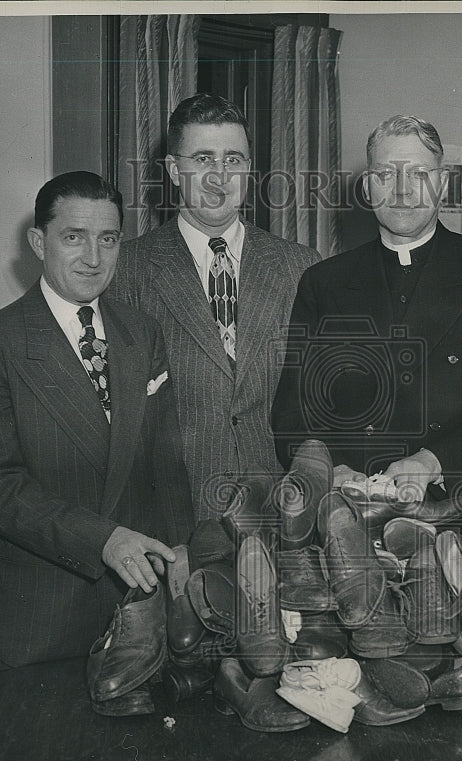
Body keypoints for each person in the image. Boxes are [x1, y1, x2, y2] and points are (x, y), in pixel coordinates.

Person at [0, 171, 195, 668]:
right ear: (39, 242)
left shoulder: (142, 334)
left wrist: (181, 549)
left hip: (143, 601)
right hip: (42, 612)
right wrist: (102, 539)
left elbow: (167, 465)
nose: (93, 258)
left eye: (108, 239)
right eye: (74, 237)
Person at [272, 114, 462, 550]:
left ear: (443, 184)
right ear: (366, 189)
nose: (401, 189)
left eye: (419, 174)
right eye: (385, 174)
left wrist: (432, 461)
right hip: (349, 518)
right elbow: (294, 410)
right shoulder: (322, 282)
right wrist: (329, 470)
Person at [106, 93, 321, 521]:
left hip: (283, 517)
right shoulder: (125, 270)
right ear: (173, 170)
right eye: (204, 159)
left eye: (234, 160)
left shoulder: (301, 266)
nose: (219, 177)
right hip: (177, 518)